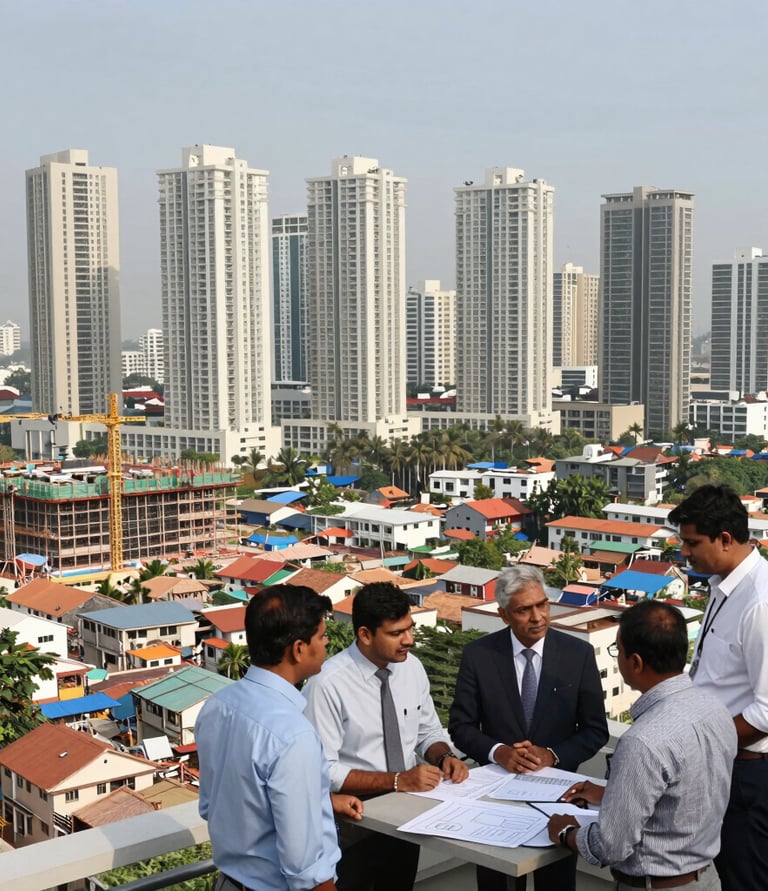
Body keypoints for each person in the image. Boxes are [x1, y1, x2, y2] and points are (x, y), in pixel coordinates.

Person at [548, 600, 736, 891]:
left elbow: (610, 846)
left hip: (656, 884)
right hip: (706, 878)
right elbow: (689, 793)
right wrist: (616, 794)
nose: (618, 659)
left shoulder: (644, 740)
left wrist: (566, 833)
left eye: (618, 652)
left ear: (635, 662)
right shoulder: (714, 709)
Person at [448, 564, 608, 891]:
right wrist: (499, 752)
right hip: (494, 797)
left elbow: (595, 730)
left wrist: (552, 755)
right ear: (504, 615)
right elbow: (461, 726)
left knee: (557, 884)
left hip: (562, 799)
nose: (537, 617)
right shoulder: (479, 655)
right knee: (496, 884)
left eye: (542, 605)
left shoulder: (578, 654)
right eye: (524, 610)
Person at [303, 581, 469, 891]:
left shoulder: (412, 668)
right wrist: (397, 780)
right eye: (396, 633)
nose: (410, 640)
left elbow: (427, 731)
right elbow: (321, 769)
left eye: (410, 628)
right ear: (365, 634)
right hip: (351, 824)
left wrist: (444, 756)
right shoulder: (327, 685)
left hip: (406, 820)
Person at [196, 585, 363, 891]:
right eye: (322, 636)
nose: (327, 643)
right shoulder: (292, 735)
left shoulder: (217, 706)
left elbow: (216, 804)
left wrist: (320, 801)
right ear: (299, 649)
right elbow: (305, 867)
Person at [668, 484, 768, 891]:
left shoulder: (759, 602)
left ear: (725, 539)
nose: (685, 553)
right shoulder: (723, 586)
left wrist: (704, 743)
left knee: (746, 880)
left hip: (748, 774)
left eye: (692, 543)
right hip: (720, 767)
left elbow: (766, 712)